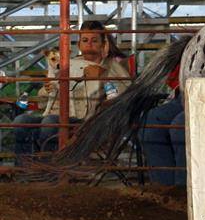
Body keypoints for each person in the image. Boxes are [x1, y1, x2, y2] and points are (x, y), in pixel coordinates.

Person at [13, 21, 130, 163]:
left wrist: (103, 77)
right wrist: (46, 90)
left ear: (103, 44)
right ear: (79, 45)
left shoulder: (111, 66)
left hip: (88, 121)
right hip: (57, 115)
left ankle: (51, 172)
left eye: (94, 40)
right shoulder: (68, 64)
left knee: (50, 123)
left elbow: (126, 94)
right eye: (85, 40)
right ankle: (25, 170)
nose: (89, 44)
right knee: (22, 121)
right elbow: (44, 103)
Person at [139, 66, 185, 186]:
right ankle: (163, 188)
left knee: (180, 125)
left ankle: (184, 191)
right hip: (185, 94)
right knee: (151, 122)